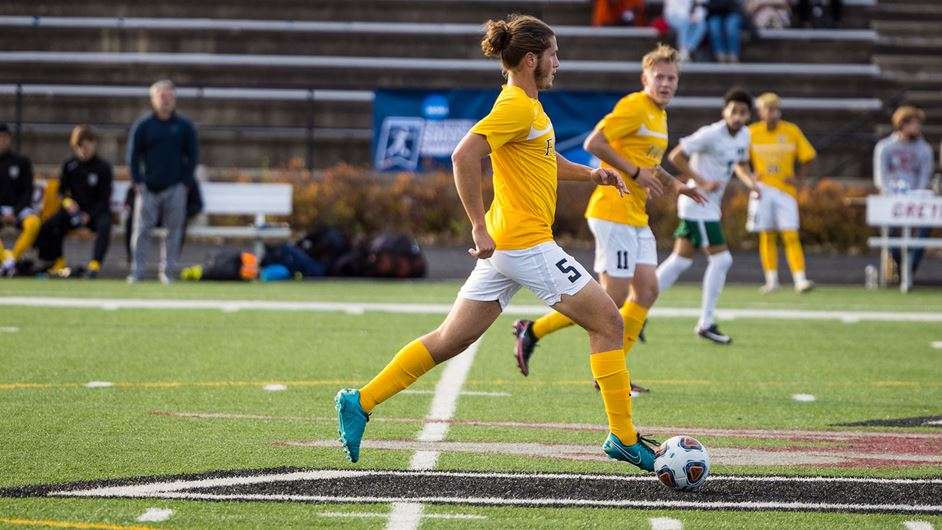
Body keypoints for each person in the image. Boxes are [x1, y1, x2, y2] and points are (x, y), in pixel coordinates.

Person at [335, 14, 660, 473]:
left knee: (450, 339)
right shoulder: (515, 107)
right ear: (532, 60)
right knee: (609, 321)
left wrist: (591, 173)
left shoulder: (526, 106)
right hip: (525, 246)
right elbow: (463, 154)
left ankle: (360, 401)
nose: (558, 63)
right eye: (553, 54)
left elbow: (544, 159)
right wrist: (476, 226)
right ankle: (623, 438)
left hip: (510, 248)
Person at [512, 45, 705, 381]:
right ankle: (534, 331)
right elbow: (594, 143)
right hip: (612, 211)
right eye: (659, 77)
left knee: (646, 291)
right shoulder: (634, 106)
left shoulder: (659, 115)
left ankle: (619, 374)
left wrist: (678, 186)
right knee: (612, 298)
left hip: (635, 215)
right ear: (645, 78)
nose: (666, 83)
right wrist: (632, 172)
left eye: (671, 78)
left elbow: (651, 165)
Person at [657, 89, 759, 344]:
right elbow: (675, 155)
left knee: (680, 261)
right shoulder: (711, 133)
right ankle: (706, 322)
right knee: (722, 260)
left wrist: (750, 182)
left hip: (709, 206)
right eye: (733, 111)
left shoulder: (745, 135)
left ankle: (637, 307)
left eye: (742, 112)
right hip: (698, 203)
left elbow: (741, 163)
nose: (737, 116)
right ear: (725, 111)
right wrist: (701, 181)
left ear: (748, 115)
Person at [126, 79, 199, 284]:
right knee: (141, 231)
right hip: (148, 188)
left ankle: (167, 272)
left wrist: (185, 182)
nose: (166, 100)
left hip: (175, 187)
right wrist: (138, 181)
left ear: (175, 99)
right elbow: (132, 156)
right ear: (153, 99)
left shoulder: (184, 126)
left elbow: (192, 156)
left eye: (169, 96)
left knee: (173, 232)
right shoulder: (143, 126)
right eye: (161, 96)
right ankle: (137, 271)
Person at [747, 92, 817, 293]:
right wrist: (750, 178)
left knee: (790, 234)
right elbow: (739, 159)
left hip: (785, 190)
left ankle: (800, 278)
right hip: (761, 190)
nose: (772, 113)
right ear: (760, 112)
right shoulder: (751, 132)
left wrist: (799, 179)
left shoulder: (791, 131)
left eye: (775, 109)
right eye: (768, 109)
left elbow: (808, 156)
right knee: (766, 235)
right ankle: (771, 280)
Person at [35, 125, 113, 277]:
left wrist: (89, 215)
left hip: (95, 213)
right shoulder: (69, 165)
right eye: (79, 147)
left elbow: (104, 198)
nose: (84, 150)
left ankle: (95, 264)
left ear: (93, 143)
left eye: (86, 145)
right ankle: (57, 262)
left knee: (105, 224)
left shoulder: (103, 167)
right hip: (74, 211)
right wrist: (67, 203)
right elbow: (61, 191)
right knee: (51, 224)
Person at [873, 105, 935, 278]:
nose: (917, 128)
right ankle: (901, 265)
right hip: (892, 199)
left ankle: (911, 266)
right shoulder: (885, 147)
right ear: (902, 125)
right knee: (889, 230)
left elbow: (924, 177)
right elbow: (881, 177)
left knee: (925, 226)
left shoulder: (924, 149)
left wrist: (916, 196)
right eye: (914, 124)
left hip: (916, 200)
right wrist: (890, 195)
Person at [0, 123, 40, 277]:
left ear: (9, 139)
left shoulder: (21, 162)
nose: (1, 141)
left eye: (4, 138)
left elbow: (27, 191)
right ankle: (7, 261)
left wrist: (15, 212)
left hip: (19, 209)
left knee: (33, 223)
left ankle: (11, 259)